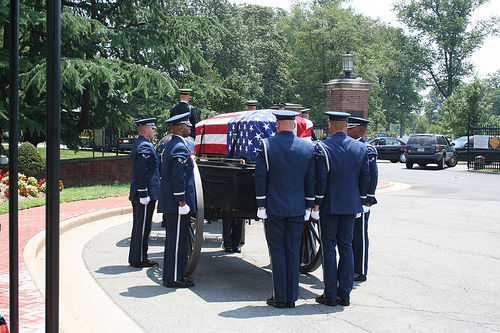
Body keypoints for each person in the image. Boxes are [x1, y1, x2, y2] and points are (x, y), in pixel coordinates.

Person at [254, 110, 316, 309]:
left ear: (278, 124)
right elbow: (310, 179)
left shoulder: (267, 145)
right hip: (298, 208)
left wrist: (261, 205)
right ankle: (292, 297)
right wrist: (308, 205)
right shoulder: (308, 147)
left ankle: (279, 296)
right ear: (294, 125)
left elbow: (260, 177)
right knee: (293, 251)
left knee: (277, 251)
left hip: (274, 207)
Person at [313, 111, 369, 307]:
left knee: (329, 247)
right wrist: (362, 201)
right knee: (346, 247)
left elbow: (321, 179)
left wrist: (316, 203)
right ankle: (344, 294)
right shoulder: (361, 148)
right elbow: (365, 177)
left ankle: (330, 294)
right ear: (346, 126)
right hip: (351, 204)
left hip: (329, 204)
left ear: (330, 126)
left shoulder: (323, 147)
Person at [157, 112, 196, 288]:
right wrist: (182, 202)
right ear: (180, 128)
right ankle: (172, 278)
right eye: (188, 125)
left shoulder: (171, 145)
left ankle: (174, 275)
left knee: (175, 240)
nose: (190, 128)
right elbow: (177, 177)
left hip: (174, 201)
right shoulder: (179, 147)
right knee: (176, 242)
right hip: (177, 203)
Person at [222, 100, 258, 253]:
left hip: (242, 178)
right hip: (234, 177)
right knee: (228, 214)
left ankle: (234, 243)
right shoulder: (239, 141)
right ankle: (230, 243)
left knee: (237, 215)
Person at [347, 116, 378, 282]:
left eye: (350, 127)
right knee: (349, 236)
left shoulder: (367, 148)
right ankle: (350, 266)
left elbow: (372, 176)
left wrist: (367, 200)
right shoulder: (350, 146)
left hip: (361, 199)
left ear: (360, 129)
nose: (347, 130)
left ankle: (360, 269)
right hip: (350, 198)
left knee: (359, 235)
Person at [128, 118, 160, 268]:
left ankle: (138, 257)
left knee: (141, 226)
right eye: (152, 128)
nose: (154, 131)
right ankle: (139, 259)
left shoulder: (142, 145)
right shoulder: (145, 147)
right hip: (144, 194)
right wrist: (143, 194)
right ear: (146, 130)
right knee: (142, 227)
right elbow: (142, 172)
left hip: (143, 192)